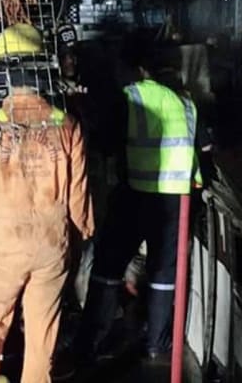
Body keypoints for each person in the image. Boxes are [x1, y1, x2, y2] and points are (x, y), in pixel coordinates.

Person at [0, 23, 94, 383]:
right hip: (51, 247)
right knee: (41, 340)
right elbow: (79, 198)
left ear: (4, 73)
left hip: (3, 248)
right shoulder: (67, 126)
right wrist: (75, 242)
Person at [77, 43, 199, 362]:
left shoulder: (130, 97)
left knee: (108, 267)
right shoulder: (184, 102)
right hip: (176, 200)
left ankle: (91, 340)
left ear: (137, 69)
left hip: (134, 193)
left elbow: (105, 141)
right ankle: (158, 342)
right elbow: (199, 149)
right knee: (163, 272)